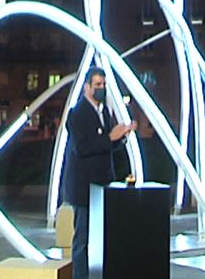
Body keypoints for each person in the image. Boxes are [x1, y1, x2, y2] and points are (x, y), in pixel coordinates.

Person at [62, 67, 135, 279]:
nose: (102, 88)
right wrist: (111, 138)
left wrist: (121, 137)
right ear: (87, 87)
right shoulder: (77, 113)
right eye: (98, 85)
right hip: (84, 189)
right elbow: (82, 147)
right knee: (83, 240)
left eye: (104, 85)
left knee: (101, 238)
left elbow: (106, 145)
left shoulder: (104, 112)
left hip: (103, 186)